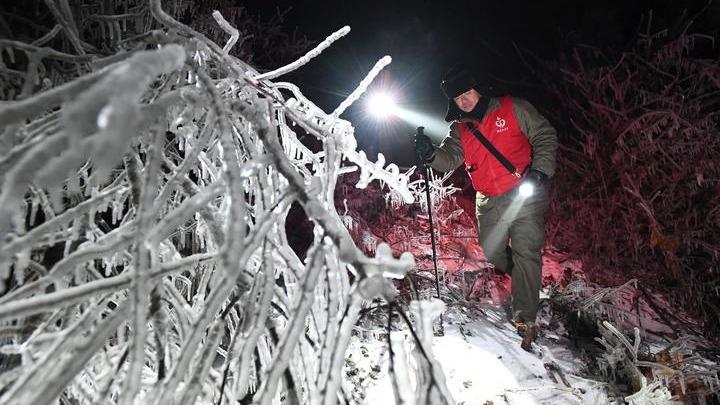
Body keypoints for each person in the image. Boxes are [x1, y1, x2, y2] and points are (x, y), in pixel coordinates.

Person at [415, 66, 558, 350]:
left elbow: (545, 135)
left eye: (467, 93)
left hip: (523, 192)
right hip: (488, 199)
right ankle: (523, 278)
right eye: (458, 98)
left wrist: (540, 170)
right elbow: (450, 158)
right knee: (492, 251)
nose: (465, 101)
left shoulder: (513, 108)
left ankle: (525, 318)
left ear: (477, 89)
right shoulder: (461, 129)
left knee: (526, 250)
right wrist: (430, 154)